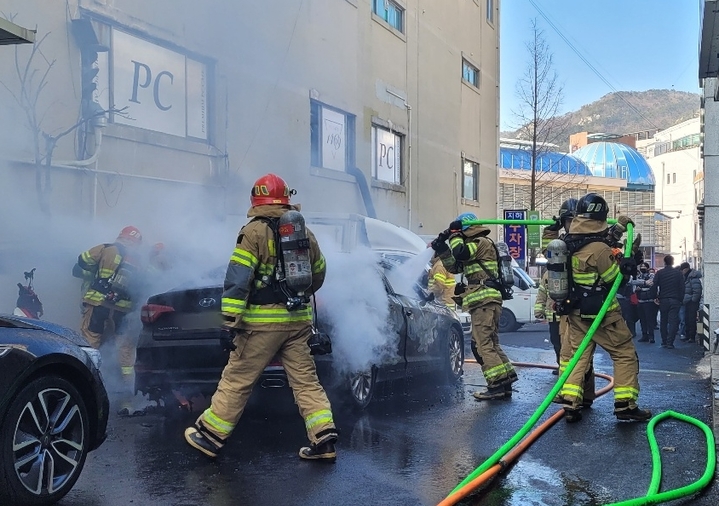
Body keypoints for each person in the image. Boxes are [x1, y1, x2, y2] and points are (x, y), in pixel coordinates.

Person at [184, 173, 337, 461]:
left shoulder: (253, 232)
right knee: (306, 382)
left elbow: (237, 280)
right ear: (286, 198)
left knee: (238, 378)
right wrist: (298, 296)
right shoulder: (303, 232)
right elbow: (319, 273)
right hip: (299, 322)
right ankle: (324, 438)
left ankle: (209, 436)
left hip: (261, 325)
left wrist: (229, 321)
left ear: (256, 199)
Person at [558, 193, 651, 423]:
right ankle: (625, 404)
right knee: (624, 354)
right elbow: (614, 280)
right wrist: (628, 263)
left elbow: (603, 239)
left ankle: (570, 402)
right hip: (604, 314)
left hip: (576, 312)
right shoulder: (599, 250)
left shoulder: (568, 242)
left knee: (578, 358)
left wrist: (618, 231)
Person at [431, 212, 518, 401]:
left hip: (484, 301)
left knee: (482, 344)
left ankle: (496, 386)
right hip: (486, 301)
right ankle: (506, 382)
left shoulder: (480, 243)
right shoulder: (476, 245)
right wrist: (442, 249)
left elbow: (461, 253)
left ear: (466, 230)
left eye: (460, 232)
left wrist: (453, 235)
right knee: (491, 343)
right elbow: (456, 267)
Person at [74, 226, 143, 411]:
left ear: (121, 236)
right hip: (122, 311)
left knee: (89, 345)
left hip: (98, 306)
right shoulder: (138, 260)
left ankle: (83, 387)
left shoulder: (107, 248)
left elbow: (82, 261)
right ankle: (129, 395)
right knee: (125, 351)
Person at [649, 255, 685, 349]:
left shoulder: (660, 273)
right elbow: (682, 287)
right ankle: (670, 342)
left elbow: (654, 285)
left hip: (663, 299)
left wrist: (655, 297)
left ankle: (664, 341)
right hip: (675, 299)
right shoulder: (678, 273)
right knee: (673, 321)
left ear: (664, 262)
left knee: (663, 321)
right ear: (673, 262)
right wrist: (680, 299)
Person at [632, 262, 656, 343]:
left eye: (644, 266)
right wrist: (643, 285)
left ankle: (651, 336)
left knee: (649, 319)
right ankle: (644, 335)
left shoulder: (651, 275)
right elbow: (634, 285)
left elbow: (651, 284)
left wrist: (641, 286)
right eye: (641, 266)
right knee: (642, 320)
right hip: (640, 300)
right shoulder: (638, 276)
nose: (642, 268)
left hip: (649, 301)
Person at [680, 262, 703, 343]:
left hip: (691, 302)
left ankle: (692, 336)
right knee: (686, 319)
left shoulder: (693, 278)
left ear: (685, 269)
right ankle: (688, 335)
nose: (681, 272)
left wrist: (693, 300)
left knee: (691, 319)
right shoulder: (686, 277)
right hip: (686, 301)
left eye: (682, 270)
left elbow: (697, 291)